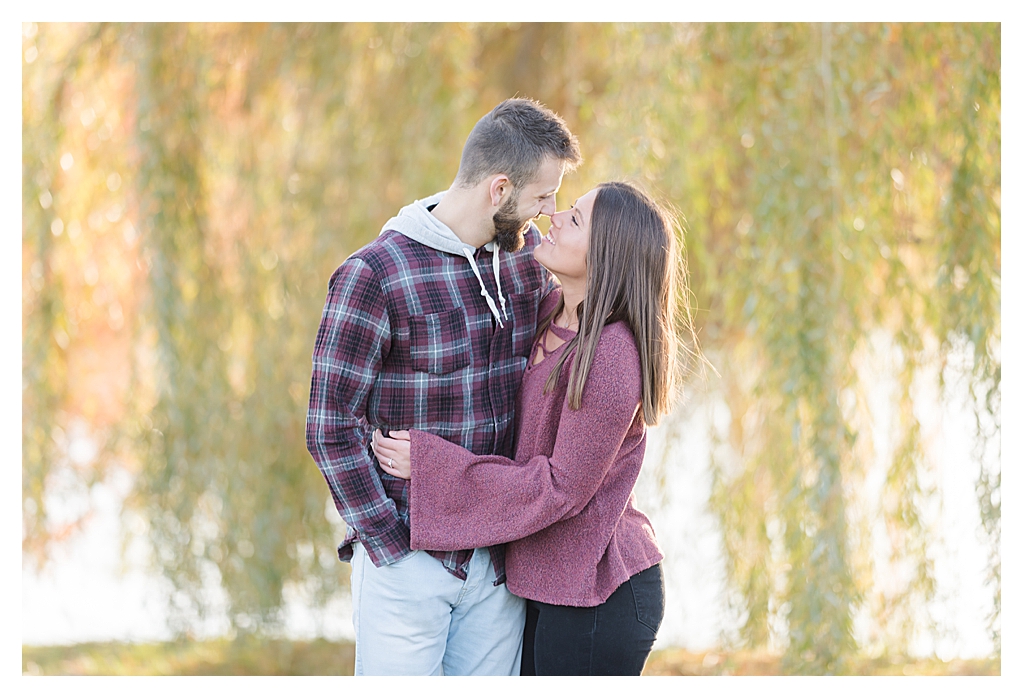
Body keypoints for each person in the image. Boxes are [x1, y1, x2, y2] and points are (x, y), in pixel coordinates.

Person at [373, 181, 699, 676]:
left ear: (607, 253)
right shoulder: (551, 311)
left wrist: (434, 467)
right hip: (547, 581)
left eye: (575, 218)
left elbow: (560, 487)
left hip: (597, 592)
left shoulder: (611, 355)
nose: (555, 217)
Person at [305, 98, 582, 676]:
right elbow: (330, 427)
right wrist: (390, 546)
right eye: (542, 197)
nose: (549, 213)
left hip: (497, 563)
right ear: (499, 191)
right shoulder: (376, 275)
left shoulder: (527, 261)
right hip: (411, 561)